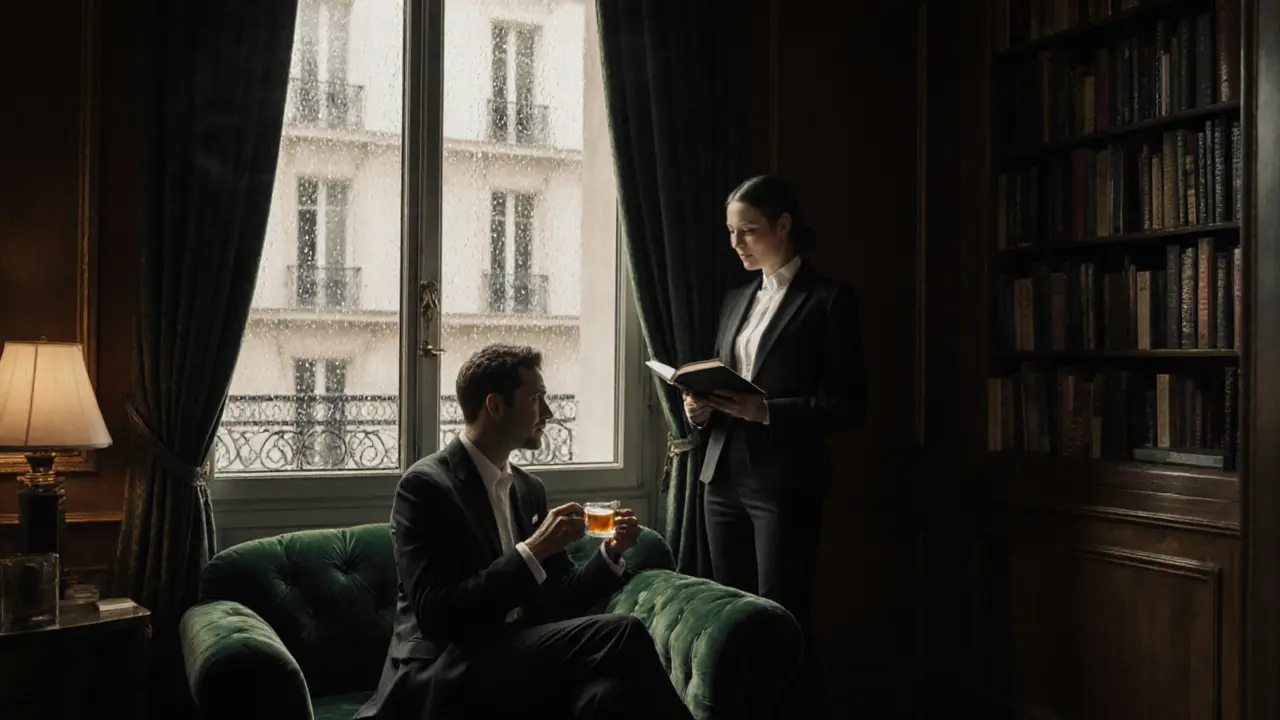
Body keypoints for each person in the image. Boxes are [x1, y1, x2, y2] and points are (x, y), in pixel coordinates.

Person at [358, 344, 692, 720]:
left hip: (514, 657)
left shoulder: (528, 488)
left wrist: (610, 554)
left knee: (605, 696)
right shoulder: (425, 488)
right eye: (536, 398)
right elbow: (438, 615)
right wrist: (532, 551)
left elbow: (561, 596)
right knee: (623, 632)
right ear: (495, 406)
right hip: (449, 668)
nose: (548, 412)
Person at [685, 174, 868, 707]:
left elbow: (850, 405)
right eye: (731, 233)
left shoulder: (829, 300)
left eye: (749, 231)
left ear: (784, 225)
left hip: (784, 483)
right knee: (730, 615)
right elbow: (722, 380)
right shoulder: (734, 299)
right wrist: (700, 407)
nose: (737, 244)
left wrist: (767, 410)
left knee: (781, 616)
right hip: (720, 478)